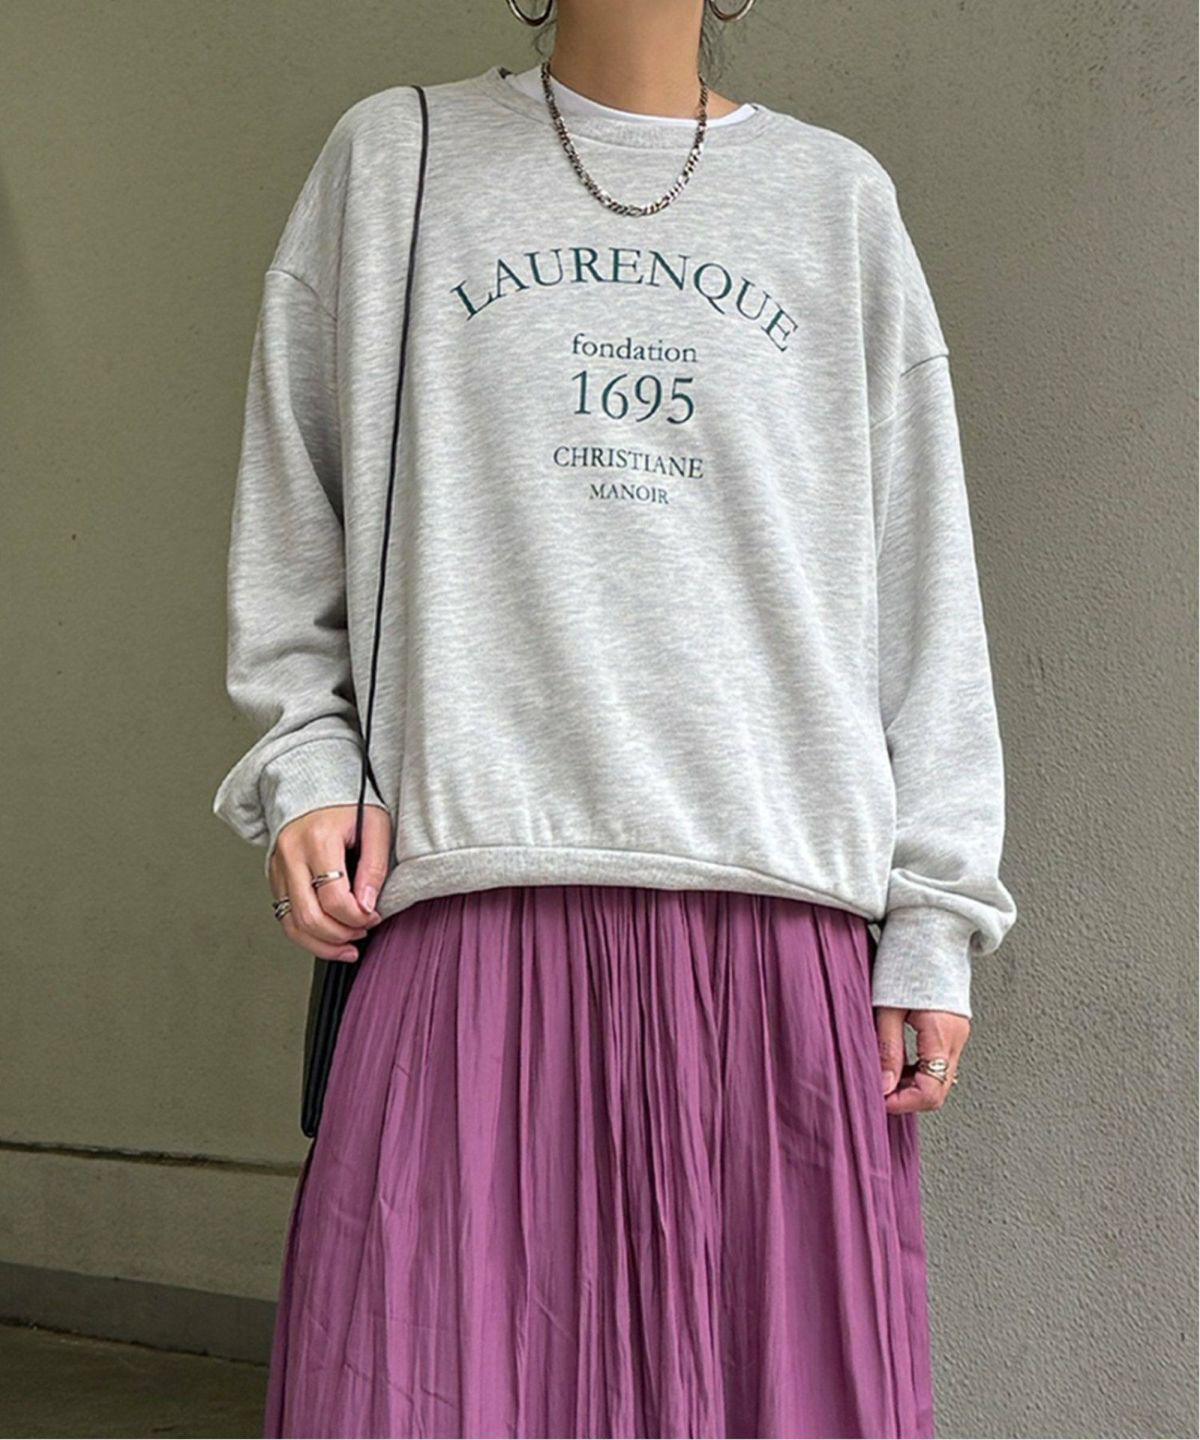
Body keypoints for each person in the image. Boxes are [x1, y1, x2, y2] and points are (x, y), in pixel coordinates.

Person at [211, 1, 1018, 1435]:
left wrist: (937, 914)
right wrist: (306, 759)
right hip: (471, 910)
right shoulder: (397, 160)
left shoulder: (835, 200)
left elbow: (920, 591)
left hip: (776, 947)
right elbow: (296, 517)